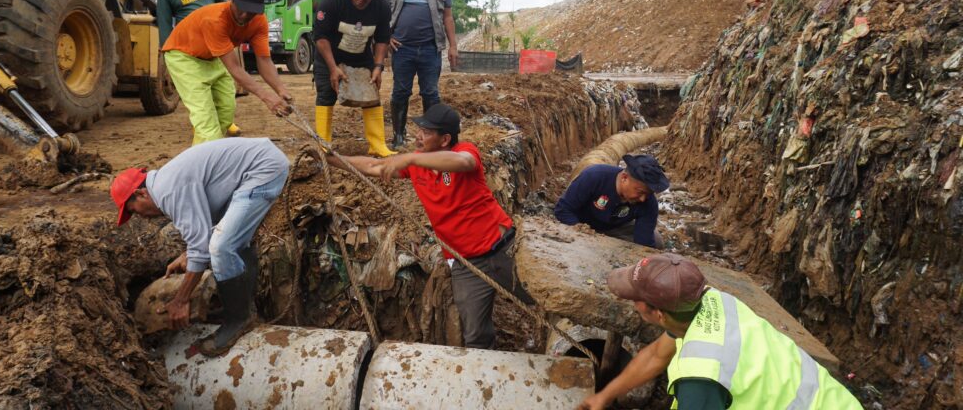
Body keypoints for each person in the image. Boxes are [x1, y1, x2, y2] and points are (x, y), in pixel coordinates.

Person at [320, 103, 532, 348]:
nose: (418, 136)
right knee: (474, 334)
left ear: (445, 139)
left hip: (502, 251)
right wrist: (331, 158)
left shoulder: (464, 151)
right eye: (418, 129)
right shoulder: (417, 165)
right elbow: (373, 166)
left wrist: (410, 158)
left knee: (541, 301)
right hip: (465, 264)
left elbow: (463, 162)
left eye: (426, 132)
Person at [578, 253, 863, 410]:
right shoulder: (711, 301)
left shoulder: (701, 380)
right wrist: (604, 397)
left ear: (658, 314)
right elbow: (656, 356)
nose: (632, 304)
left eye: (635, 300)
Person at [110, 138, 290, 357]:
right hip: (255, 166)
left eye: (135, 210)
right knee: (235, 242)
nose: (142, 217)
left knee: (221, 247)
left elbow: (203, 248)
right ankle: (247, 309)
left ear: (141, 194)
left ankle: (238, 320)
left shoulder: (168, 192)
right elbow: (203, 233)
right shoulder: (166, 183)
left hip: (262, 169)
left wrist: (181, 300)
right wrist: (188, 254)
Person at [162, 0, 292, 144]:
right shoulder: (215, 20)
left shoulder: (259, 21)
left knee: (226, 110)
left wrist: (280, 90)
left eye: (251, 11)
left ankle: (206, 147)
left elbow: (264, 60)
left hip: (211, 56)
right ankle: (206, 162)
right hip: (183, 57)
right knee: (205, 117)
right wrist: (266, 97)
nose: (245, 16)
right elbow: (235, 68)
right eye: (242, 9)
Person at [155, 0, 244, 137]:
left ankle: (226, 122)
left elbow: (224, 6)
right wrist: (168, 63)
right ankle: (203, 128)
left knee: (224, 90)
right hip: (189, 47)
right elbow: (165, 30)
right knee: (199, 93)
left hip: (216, 40)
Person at [382, 0, 458, 149]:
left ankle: (431, 137)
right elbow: (378, 9)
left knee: (431, 92)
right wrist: (385, 36)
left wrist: (453, 46)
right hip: (402, 49)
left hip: (430, 50)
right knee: (400, 91)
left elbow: (448, 17)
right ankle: (398, 136)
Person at [313, 0, 395, 157]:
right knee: (326, 94)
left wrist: (377, 66)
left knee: (372, 94)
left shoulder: (382, 6)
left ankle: (377, 145)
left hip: (361, 55)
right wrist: (333, 68)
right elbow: (320, 37)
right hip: (329, 56)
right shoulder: (333, 0)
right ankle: (324, 145)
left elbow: (383, 38)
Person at [554, 154, 669, 248]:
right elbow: (563, 209)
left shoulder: (649, 202)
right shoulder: (594, 176)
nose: (643, 198)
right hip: (584, 222)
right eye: (640, 192)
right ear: (624, 178)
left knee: (657, 241)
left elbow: (644, 244)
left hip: (615, 227)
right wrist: (582, 232)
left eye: (648, 194)